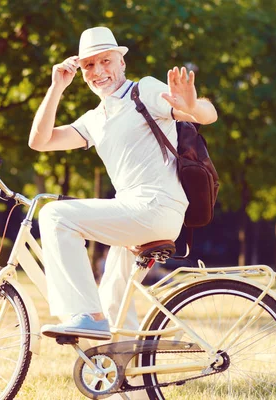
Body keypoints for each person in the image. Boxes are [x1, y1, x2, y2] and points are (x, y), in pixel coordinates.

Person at [29, 27, 217, 340]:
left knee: (54, 215)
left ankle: (87, 316)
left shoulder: (143, 92)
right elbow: (40, 141)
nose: (98, 71)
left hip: (155, 207)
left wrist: (193, 105)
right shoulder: (95, 119)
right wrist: (57, 88)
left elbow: (206, 115)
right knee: (114, 304)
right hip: (132, 213)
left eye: (106, 61)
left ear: (122, 62)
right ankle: (131, 380)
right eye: (89, 65)